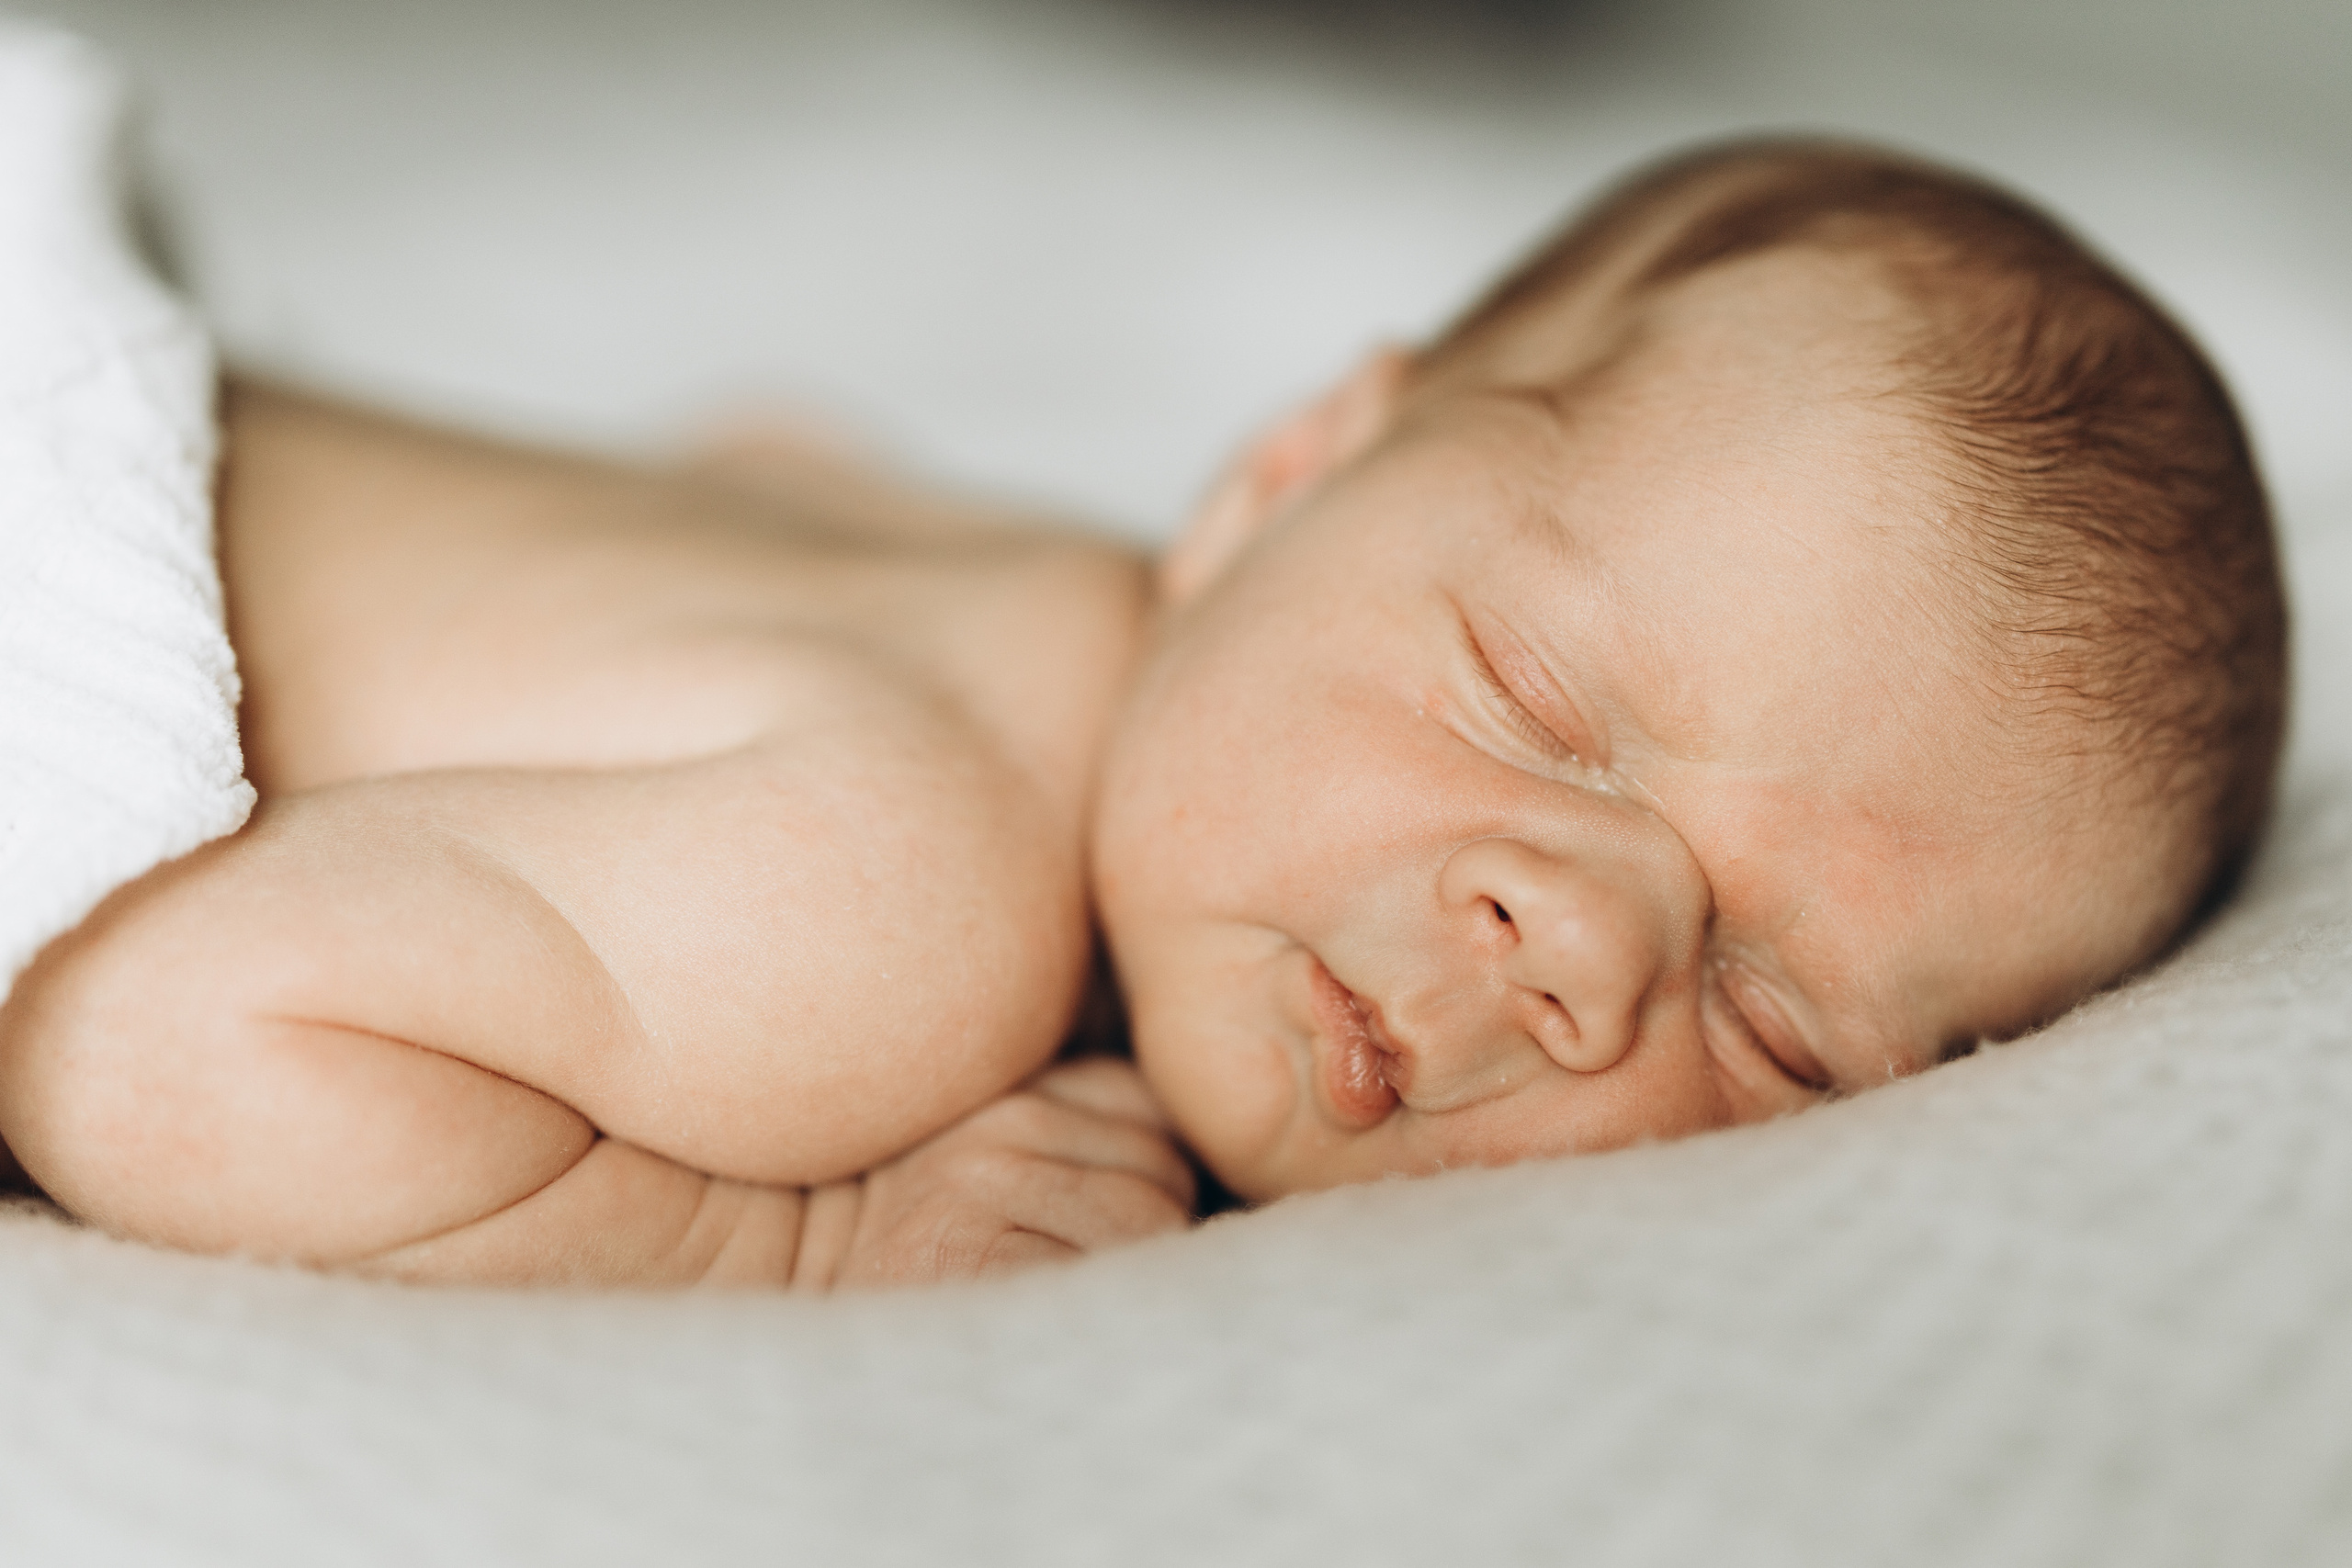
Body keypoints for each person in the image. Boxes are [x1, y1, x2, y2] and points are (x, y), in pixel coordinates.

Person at [0, 137, 2286, 1288]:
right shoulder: (893, 911)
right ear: (1280, 476)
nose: (1570, 939)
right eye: (1530, 704)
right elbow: (143, 1036)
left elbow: (758, 456)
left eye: (1777, 1020)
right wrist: (790, 1239)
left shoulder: (1043, 593)